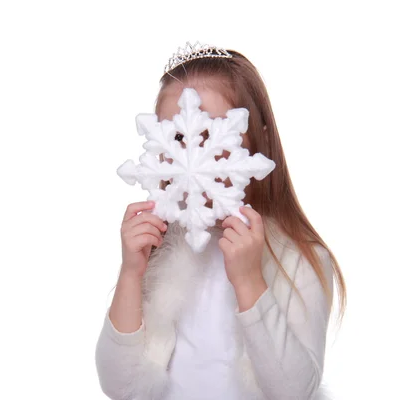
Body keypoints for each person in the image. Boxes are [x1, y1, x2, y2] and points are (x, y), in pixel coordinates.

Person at [95, 42, 347, 400]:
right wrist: (130, 273)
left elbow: (293, 391)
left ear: (254, 136)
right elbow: (118, 386)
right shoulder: (160, 248)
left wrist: (248, 280)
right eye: (178, 137)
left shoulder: (298, 258)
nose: (191, 154)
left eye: (210, 134)